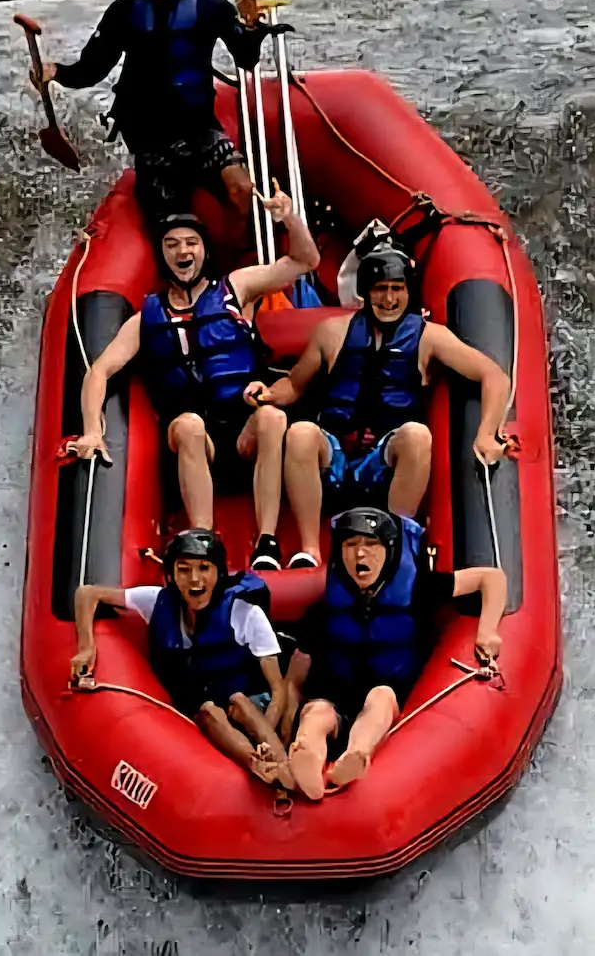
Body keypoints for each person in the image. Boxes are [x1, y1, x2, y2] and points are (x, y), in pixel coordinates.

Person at [69, 186, 320, 570]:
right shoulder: (147, 318)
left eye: (191, 243)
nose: (183, 252)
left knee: (272, 416)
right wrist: (91, 431)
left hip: (243, 433)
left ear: (205, 250)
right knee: (187, 425)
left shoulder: (238, 288)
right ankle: (203, 539)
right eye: (172, 245)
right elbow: (99, 371)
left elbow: (305, 261)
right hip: (194, 444)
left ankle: (266, 541)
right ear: (162, 255)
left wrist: (288, 218)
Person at [244, 241, 512, 569]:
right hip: (335, 461)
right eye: (379, 289)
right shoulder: (331, 333)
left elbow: (493, 376)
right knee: (301, 432)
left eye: (397, 289)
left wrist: (487, 433)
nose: (388, 299)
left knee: (417, 435)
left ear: (408, 291)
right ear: (365, 292)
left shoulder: (430, 337)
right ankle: (310, 550)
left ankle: (394, 543)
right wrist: (266, 394)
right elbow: (294, 385)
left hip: (384, 463)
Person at [32, 0, 288, 225]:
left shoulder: (212, 8)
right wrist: (56, 71)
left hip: (200, 131)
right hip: (150, 139)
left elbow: (246, 60)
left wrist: (251, 25)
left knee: (241, 187)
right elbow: (92, 68)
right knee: (171, 226)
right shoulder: (124, 12)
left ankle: (256, 258)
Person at [284, 507, 508, 800]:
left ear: (389, 550)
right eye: (351, 546)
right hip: (337, 695)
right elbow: (297, 672)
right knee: (316, 713)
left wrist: (487, 631)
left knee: (380, 699)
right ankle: (307, 757)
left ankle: (356, 755)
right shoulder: (326, 607)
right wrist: (287, 719)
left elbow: (491, 578)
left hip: (389, 691)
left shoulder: (419, 589)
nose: (360, 556)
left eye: (370, 545)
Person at [70, 527, 295, 787]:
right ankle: (256, 763)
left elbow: (278, 690)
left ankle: (280, 763)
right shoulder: (156, 601)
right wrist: (86, 646)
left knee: (239, 702)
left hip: (252, 703)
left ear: (218, 573)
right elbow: (87, 593)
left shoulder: (245, 613)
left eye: (203, 568)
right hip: (198, 708)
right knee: (210, 710)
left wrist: (265, 734)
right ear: (172, 575)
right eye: (184, 569)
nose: (194, 579)